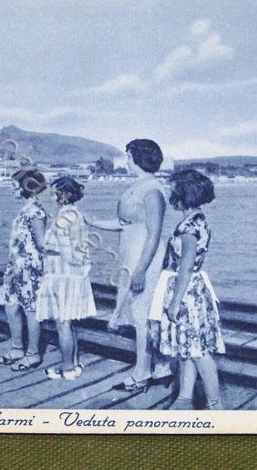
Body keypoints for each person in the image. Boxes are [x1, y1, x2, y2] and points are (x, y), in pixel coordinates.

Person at [89, 139, 171, 391]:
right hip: (130, 254)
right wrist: (90, 221)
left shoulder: (153, 190)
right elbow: (124, 224)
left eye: (128, 156)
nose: (125, 160)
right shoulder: (139, 186)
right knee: (140, 314)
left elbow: (154, 233)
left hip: (144, 258)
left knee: (142, 315)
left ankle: (142, 372)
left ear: (137, 158)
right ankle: (161, 367)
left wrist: (141, 270)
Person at [149, 169, 225, 410]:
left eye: (173, 189)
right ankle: (184, 398)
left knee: (198, 351)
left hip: (187, 293)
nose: (170, 193)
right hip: (192, 290)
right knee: (188, 347)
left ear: (183, 193)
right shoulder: (195, 220)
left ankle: (215, 405)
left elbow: (186, 267)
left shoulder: (189, 227)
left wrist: (174, 302)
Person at [37, 177, 96, 380]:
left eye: (54, 193)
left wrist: (49, 251)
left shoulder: (63, 218)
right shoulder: (75, 214)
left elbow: (67, 252)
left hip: (61, 275)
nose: (51, 196)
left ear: (64, 195)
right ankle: (75, 364)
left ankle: (67, 368)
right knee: (69, 323)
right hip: (73, 276)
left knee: (62, 324)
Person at [0, 168, 47, 371]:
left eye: (14, 184)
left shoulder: (36, 211)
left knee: (31, 310)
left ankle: (33, 354)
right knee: (11, 306)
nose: (12, 188)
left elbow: (42, 243)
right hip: (15, 267)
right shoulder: (25, 209)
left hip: (30, 269)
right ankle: (17, 348)